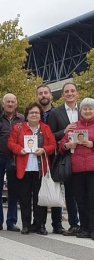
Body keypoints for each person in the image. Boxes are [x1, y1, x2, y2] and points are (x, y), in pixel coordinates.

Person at [8, 102, 56, 235]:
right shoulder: (18, 128)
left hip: (41, 170)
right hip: (24, 169)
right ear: (27, 115)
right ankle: (26, 224)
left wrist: (44, 149)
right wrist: (19, 150)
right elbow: (11, 143)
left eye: (36, 113)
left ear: (40, 115)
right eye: (31, 113)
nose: (34, 115)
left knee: (39, 199)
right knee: (24, 198)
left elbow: (53, 145)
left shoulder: (45, 128)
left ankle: (40, 225)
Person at [47, 82, 80, 236]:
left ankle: (87, 224)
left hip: (84, 157)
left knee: (86, 191)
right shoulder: (56, 113)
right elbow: (50, 136)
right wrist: (64, 131)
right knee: (69, 192)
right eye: (67, 91)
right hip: (65, 157)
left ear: (77, 93)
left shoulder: (85, 110)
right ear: (62, 95)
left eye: (72, 91)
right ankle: (73, 224)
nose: (70, 93)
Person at [59, 97, 94, 239]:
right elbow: (61, 146)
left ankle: (92, 228)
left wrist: (92, 144)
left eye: (90, 108)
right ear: (81, 111)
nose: (88, 111)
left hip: (92, 168)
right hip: (77, 168)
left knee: (92, 199)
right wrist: (67, 145)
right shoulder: (74, 126)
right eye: (85, 108)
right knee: (80, 199)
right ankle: (84, 228)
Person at [0, 93, 23, 232]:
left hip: (14, 157)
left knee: (13, 191)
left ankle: (11, 222)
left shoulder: (22, 119)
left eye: (12, 101)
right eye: (7, 102)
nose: (10, 104)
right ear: (3, 104)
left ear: (16, 103)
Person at [36, 84, 65, 234]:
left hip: (54, 157)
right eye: (40, 93)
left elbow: (63, 133)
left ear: (51, 95)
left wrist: (58, 134)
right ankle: (39, 223)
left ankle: (57, 224)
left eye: (46, 93)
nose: (43, 95)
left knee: (55, 189)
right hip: (37, 157)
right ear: (37, 97)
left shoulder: (59, 113)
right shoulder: (34, 113)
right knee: (40, 189)